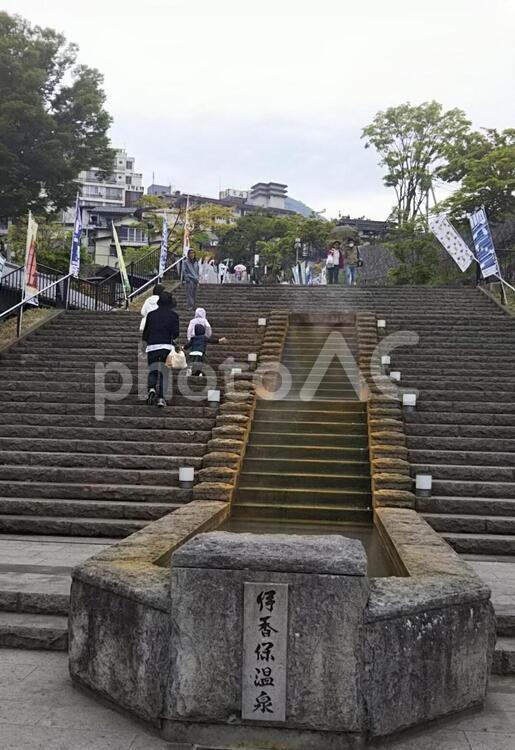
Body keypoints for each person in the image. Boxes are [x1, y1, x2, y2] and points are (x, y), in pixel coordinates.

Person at [142, 291, 180, 408]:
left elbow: (146, 333)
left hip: (152, 346)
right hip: (166, 347)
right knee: (164, 373)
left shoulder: (151, 315)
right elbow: (175, 334)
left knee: (153, 370)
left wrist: (144, 346)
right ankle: (161, 398)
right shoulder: (174, 316)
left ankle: (152, 389)